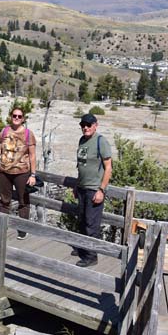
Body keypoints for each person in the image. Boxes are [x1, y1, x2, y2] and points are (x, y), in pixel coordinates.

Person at [0, 105, 37, 240]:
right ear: (11, 117)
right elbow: (0, 148)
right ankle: (2, 226)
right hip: (4, 171)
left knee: (23, 201)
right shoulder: (4, 131)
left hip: (22, 172)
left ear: (23, 119)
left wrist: (33, 174)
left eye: (19, 116)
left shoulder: (28, 134)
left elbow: (32, 155)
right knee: (4, 200)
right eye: (14, 115)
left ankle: (23, 229)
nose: (16, 118)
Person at [73, 113, 113, 267]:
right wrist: (77, 185)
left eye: (89, 125)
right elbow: (81, 165)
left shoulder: (101, 141)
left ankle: (91, 256)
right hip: (82, 187)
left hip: (94, 189)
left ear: (96, 125)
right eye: (83, 125)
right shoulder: (82, 140)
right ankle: (83, 248)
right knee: (82, 221)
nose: (86, 128)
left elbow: (108, 167)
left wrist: (101, 190)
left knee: (91, 224)